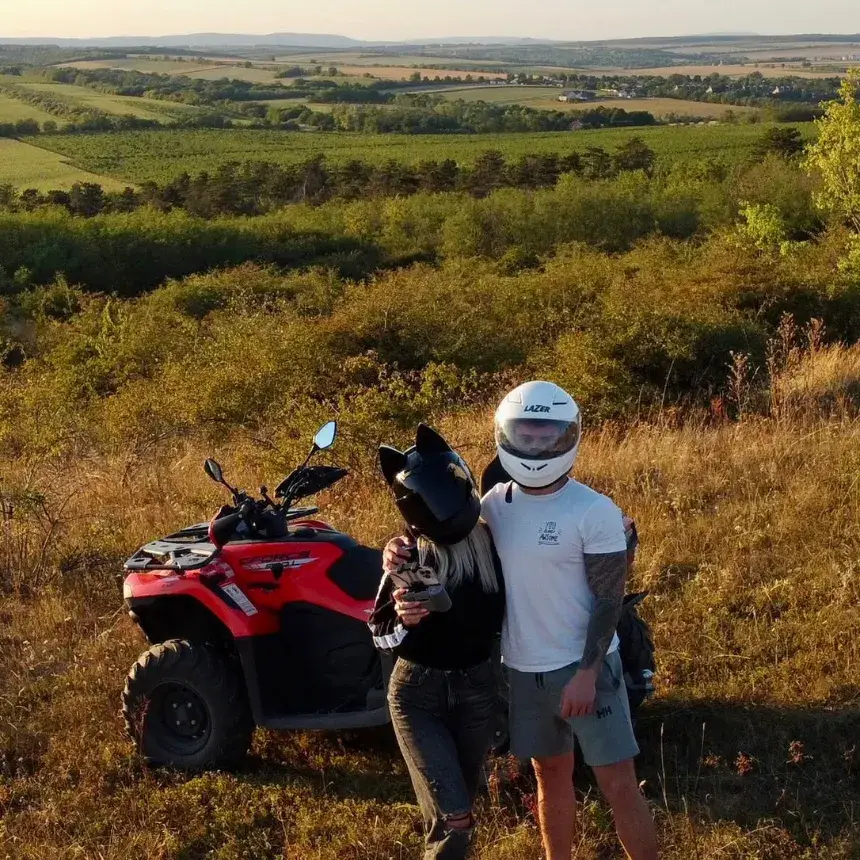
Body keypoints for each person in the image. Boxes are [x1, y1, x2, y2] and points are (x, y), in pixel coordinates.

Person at [385, 382, 659, 860]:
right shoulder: (491, 506)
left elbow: (609, 600)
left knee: (618, 783)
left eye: (546, 436)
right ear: (504, 436)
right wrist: (395, 545)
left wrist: (588, 675)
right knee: (549, 777)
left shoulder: (593, 510)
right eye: (525, 435)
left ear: (568, 437)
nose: (535, 447)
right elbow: (437, 531)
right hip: (522, 670)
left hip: (585, 671)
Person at [370, 423, 506, 860]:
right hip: (418, 693)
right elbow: (379, 632)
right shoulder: (410, 554)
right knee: (455, 817)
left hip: (478, 688)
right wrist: (405, 618)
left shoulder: (496, 539)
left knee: (460, 802)